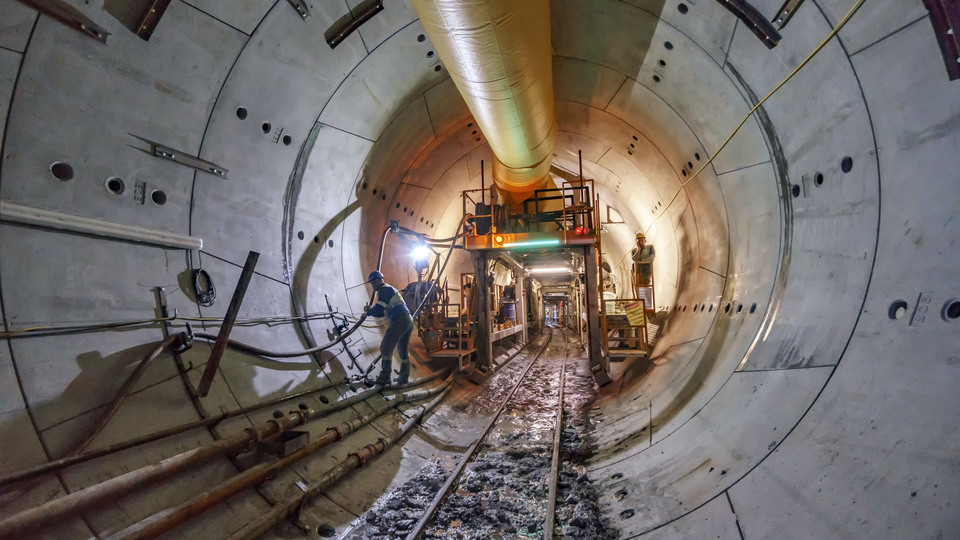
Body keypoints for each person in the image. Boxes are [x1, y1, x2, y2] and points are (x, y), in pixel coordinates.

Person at [364, 270, 413, 385]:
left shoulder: (384, 289)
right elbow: (381, 312)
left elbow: (379, 308)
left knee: (386, 347)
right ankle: (404, 377)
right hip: (407, 319)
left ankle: (385, 377)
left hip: (400, 319)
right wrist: (371, 311)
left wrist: (368, 312)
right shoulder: (388, 289)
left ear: (379, 280)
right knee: (402, 349)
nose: (373, 285)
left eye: (373, 282)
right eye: (371, 283)